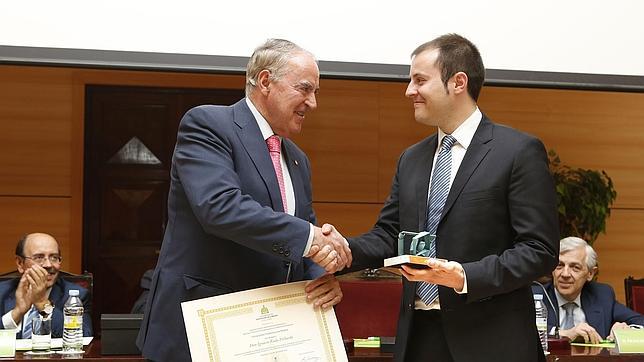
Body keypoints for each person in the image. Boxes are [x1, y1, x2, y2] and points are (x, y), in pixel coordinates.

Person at [342, 33, 560, 361]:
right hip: (418, 339)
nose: (408, 91)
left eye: (420, 80)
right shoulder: (411, 159)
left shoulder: (517, 152)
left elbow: (539, 250)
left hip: (492, 342)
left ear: (458, 82)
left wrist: (463, 276)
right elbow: (390, 236)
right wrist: (340, 249)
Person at [136, 39, 351, 362]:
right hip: (200, 330)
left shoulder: (297, 159)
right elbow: (219, 207)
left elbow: (301, 233)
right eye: (305, 89)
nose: (313, 102)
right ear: (265, 81)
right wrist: (312, 239)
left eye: (316, 92)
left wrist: (320, 275)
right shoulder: (209, 124)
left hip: (264, 334)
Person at [534, 236, 644, 343]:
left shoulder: (602, 295)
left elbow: (640, 322)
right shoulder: (537, 295)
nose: (565, 274)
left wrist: (626, 330)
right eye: (559, 265)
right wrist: (563, 333)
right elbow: (522, 329)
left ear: (590, 273)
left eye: (575, 267)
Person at [0, 233, 93, 338]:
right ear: (20, 263)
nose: (48, 265)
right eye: (39, 257)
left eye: (54, 257)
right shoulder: (2, 292)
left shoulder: (76, 296)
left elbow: (83, 337)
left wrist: (43, 304)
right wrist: (17, 313)